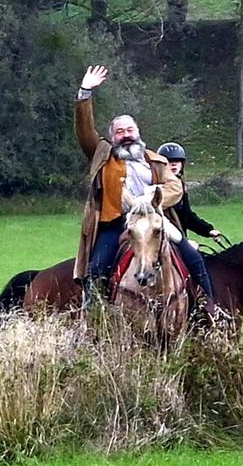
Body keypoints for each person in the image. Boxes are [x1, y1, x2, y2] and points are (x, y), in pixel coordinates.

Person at [72, 65, 182, 305]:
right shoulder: (103, 155)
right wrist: (85, 93)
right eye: (120, 132)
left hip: (154, 222)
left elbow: (176, 188)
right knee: (98, 269)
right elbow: (84, 131)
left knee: (191, 257)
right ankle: (94, 315)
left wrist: (153, 197)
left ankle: (206, 305)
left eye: (130, 130)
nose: (126, 135)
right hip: (116, 223)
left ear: (138, 132)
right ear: (113, 137)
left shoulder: (155, 160)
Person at [156, 142, 225, 317]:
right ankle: (209, 305)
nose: (173, 164)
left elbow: (188, 216)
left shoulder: (180, 188)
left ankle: (199, 303)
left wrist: (208, 231)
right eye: (169, 162)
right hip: (162, 237)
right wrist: (186, 242)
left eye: (177, 161)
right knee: (196, 261)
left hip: (179, 237)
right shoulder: (158, 190)